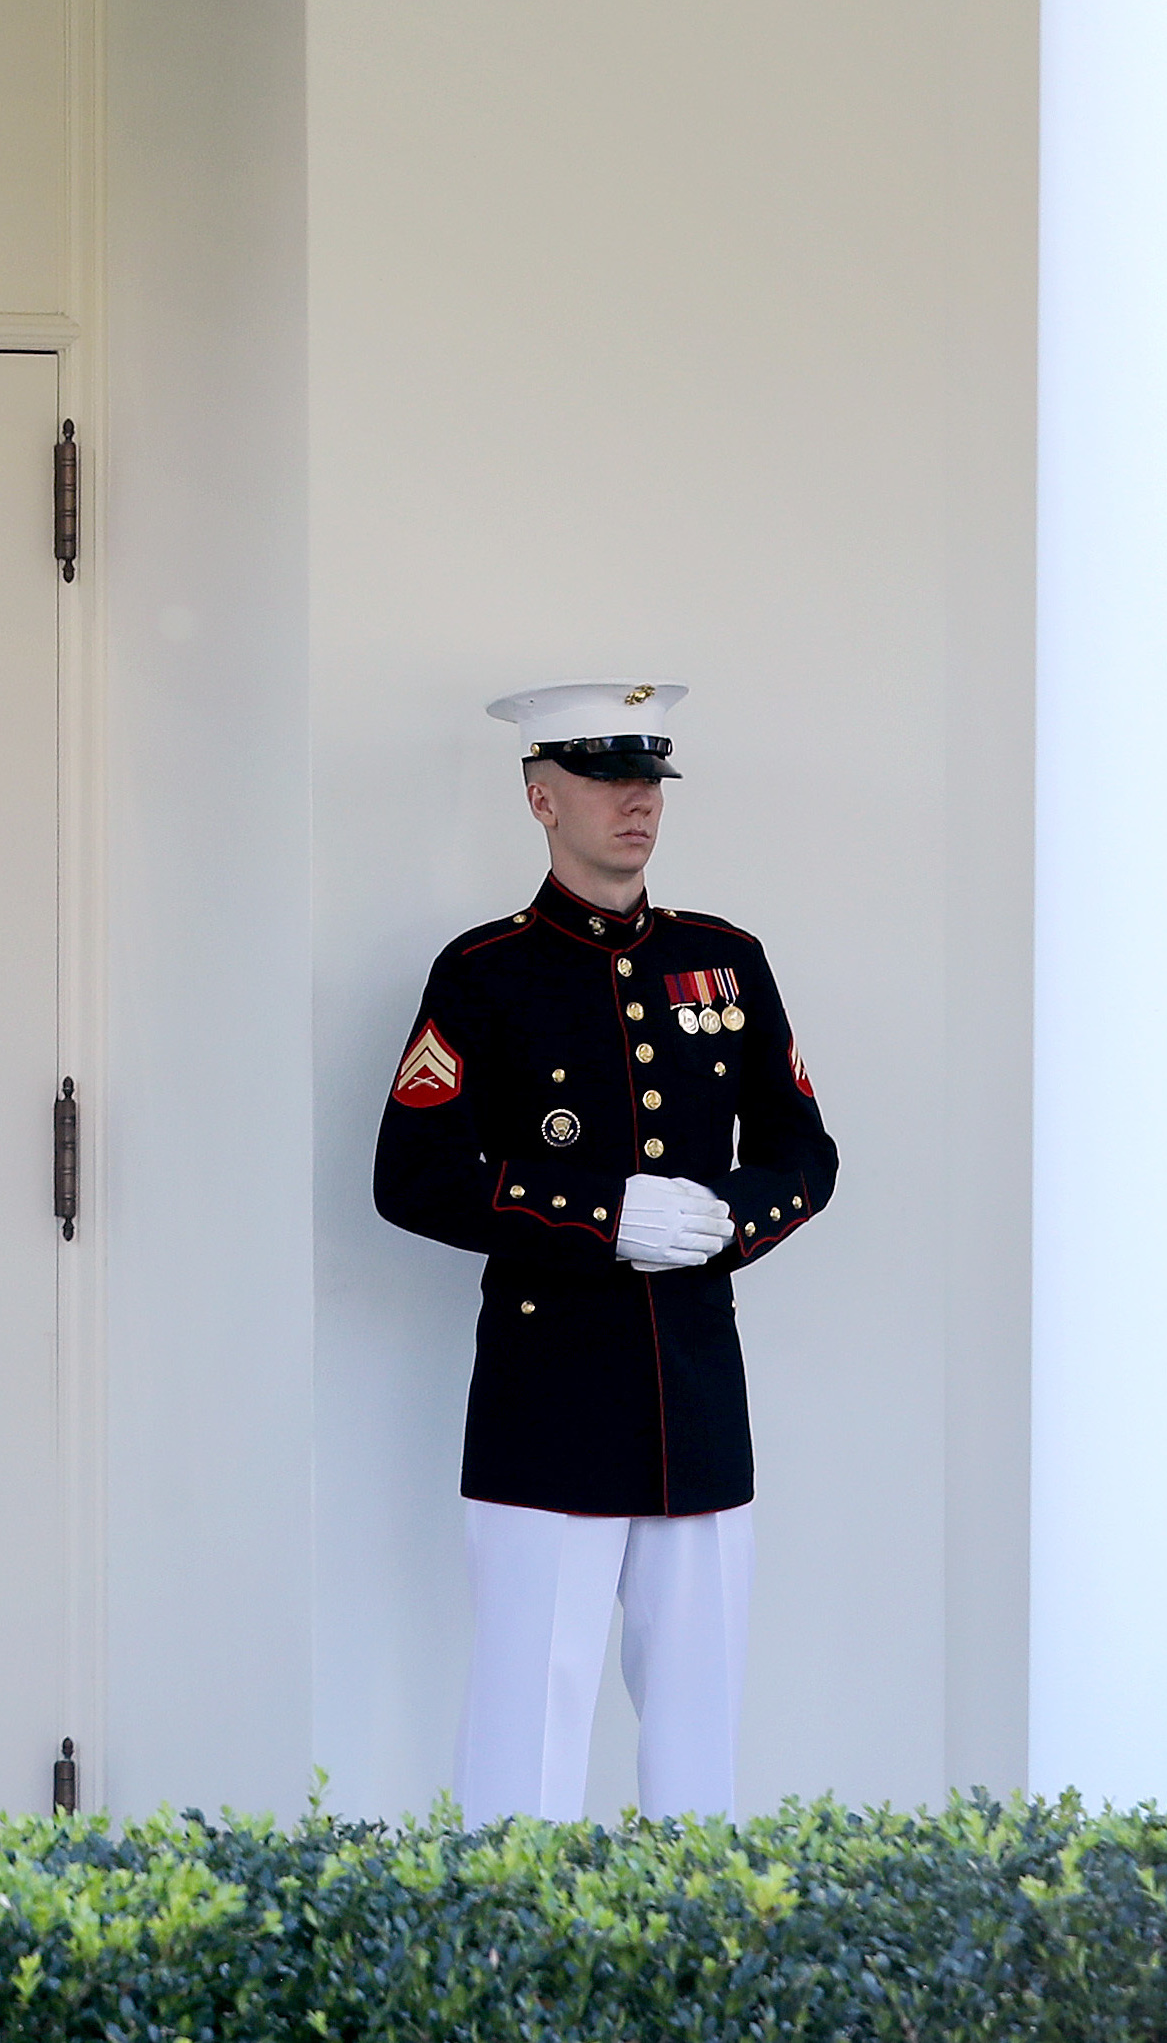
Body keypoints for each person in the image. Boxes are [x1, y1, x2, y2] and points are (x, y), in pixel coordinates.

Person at [372, 682, 837, 1819]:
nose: (637, 802)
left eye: (649, 781)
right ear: (541, 797)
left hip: (695, 1392)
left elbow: (803, 1152)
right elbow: (414, 1173)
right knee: (528, 1727)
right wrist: (601, 1218)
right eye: (606, 779)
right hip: (550, 1402)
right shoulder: (486, 974)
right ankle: (508, 1964)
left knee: (700, 1735)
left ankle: (696, 1969)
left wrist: (727, 1216)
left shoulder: (724, 960)